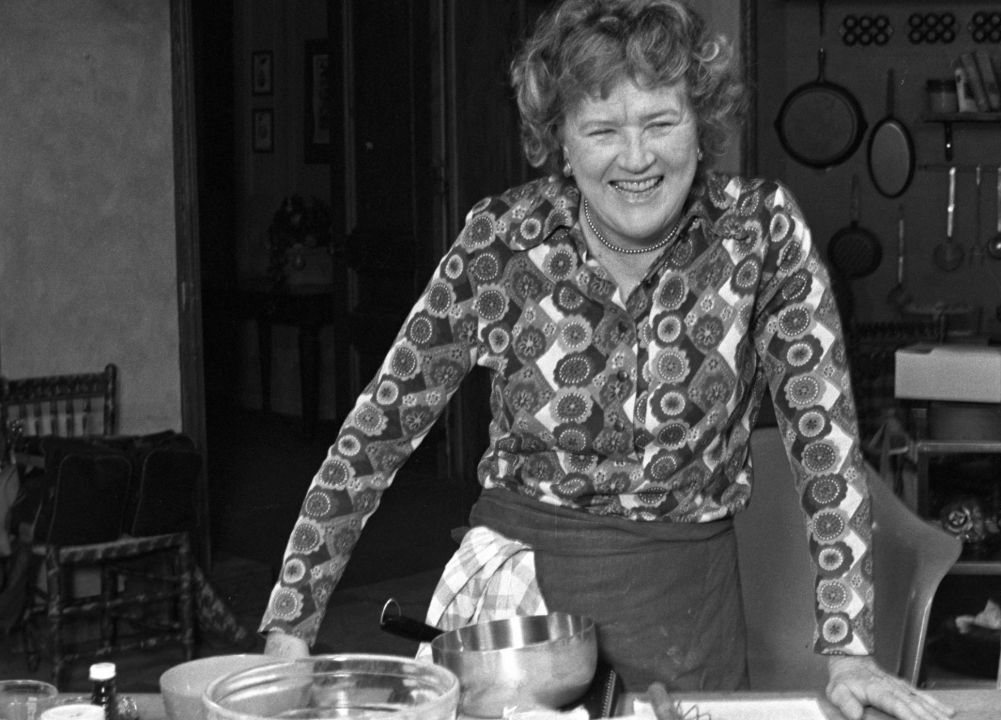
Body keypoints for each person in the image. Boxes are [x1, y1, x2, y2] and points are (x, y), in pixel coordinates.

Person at [259, 2, 953, 718]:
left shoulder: (761, 232)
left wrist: (848, 652)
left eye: (661, 122)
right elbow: (375, 434)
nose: (636, 158)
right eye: (600, 130)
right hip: (520, 617)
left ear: (702, 124)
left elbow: (826, 446)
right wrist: (291, 624)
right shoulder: (502, 241)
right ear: (559, 141)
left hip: (688, 614)